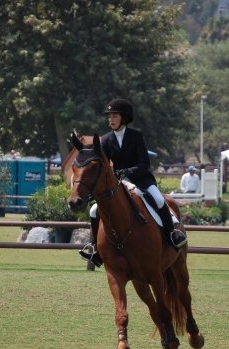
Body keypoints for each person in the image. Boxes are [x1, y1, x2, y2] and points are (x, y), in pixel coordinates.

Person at [79, 98, 187, 267]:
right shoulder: (106, 140)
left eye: (114, 116)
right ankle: (94, 247)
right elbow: (102, 163)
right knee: (94, 210)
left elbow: (144, 163)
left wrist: (128, 171)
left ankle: (173, 234)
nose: (111, 120)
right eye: (109, 117)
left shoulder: (136, 136)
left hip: (141, 179)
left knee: (159, 200)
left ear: (124, 117)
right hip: (119, 183)